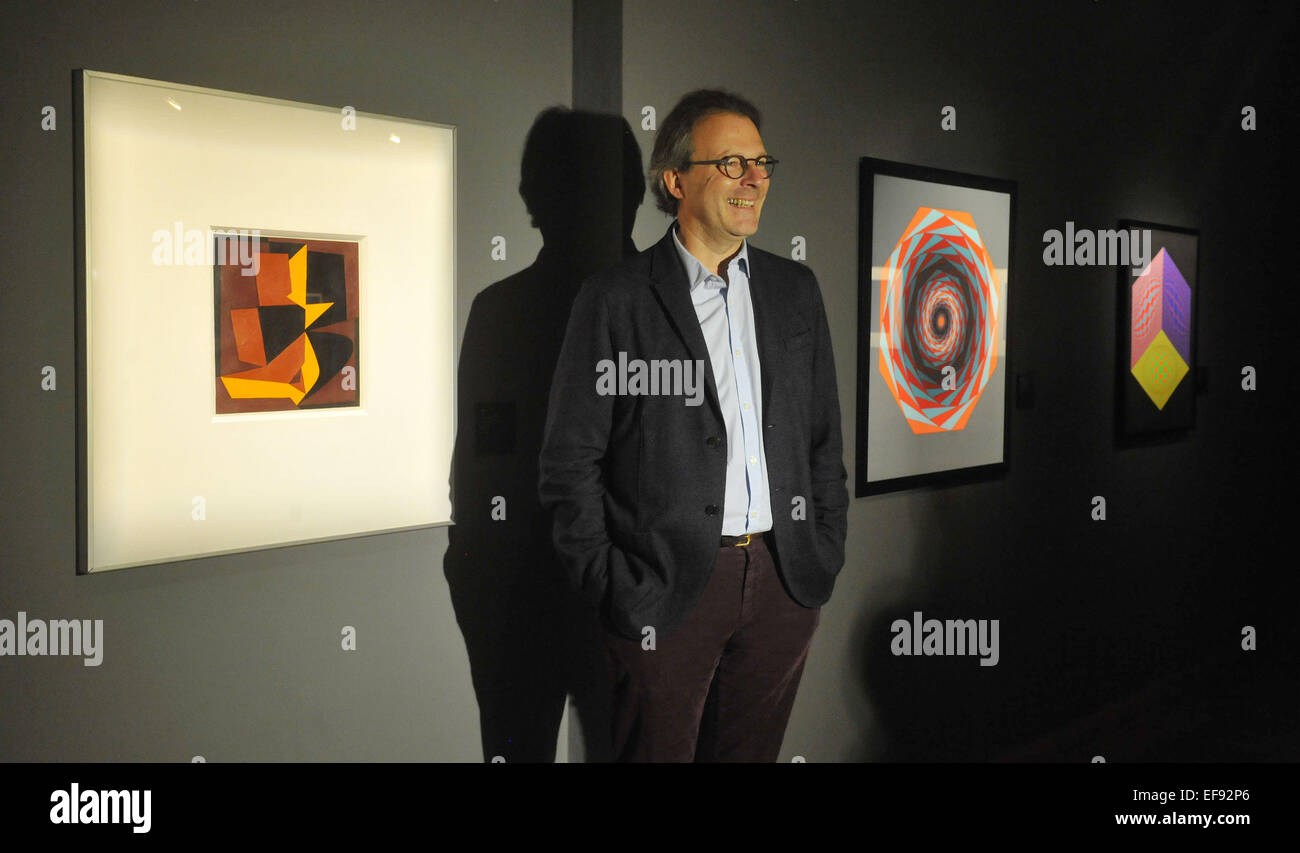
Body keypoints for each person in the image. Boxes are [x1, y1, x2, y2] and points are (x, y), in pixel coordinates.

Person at [538, 89, 848, 762]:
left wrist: (821, 546)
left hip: (783, 581)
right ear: (676, 179)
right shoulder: (616, 299)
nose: (754, 178)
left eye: (761, 162)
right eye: (732, 162)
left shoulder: (797, 291)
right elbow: (569, 463)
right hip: (665, 587)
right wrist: (616, 585)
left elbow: (823, 440)